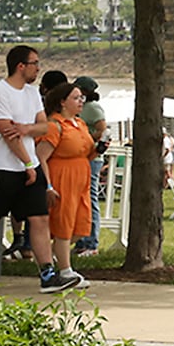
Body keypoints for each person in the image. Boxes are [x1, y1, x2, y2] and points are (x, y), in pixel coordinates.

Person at [0, 46, 81, 294]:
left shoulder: (32, 93)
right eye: (35, 63)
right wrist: (27, 163)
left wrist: (26, 129)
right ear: (20, 66)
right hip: (1, 170)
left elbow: (43, 127)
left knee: (39, 218)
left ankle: (47, 274)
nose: (38, 68)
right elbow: (7, 134)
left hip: (30, 167)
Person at [35, 81, 95, 287]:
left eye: (82, 98)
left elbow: (86, 149)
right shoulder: (54, 125)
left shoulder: (81, 124)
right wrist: (48, 185)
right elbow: (41, 156)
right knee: (64, 225)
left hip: (81, 177)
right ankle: (65, 270)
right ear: (62, 102)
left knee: (81, 225)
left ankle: (50, 257)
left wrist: (99, 147)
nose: (81, 102)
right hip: (62, 177)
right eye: (76, 98)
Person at [73, 77, 107, 255]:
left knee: (90, 198)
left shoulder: (92, 108)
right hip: (81, 157)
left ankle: (91, 242)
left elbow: (102, 129)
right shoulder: (81, 108)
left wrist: (87, 139)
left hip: (92, 159)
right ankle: (81, 240)